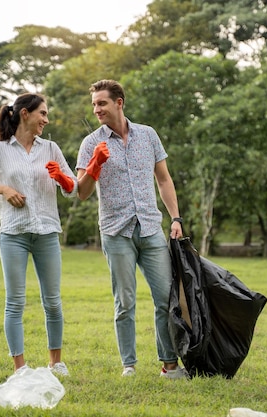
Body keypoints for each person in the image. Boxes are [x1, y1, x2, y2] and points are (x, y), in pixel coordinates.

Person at [76, 79, 187, 379]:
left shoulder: (148, 135)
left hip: (150, 227)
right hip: (115, 232)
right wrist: (95, 164)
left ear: (119, 103)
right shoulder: (90, 143)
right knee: (124, 301)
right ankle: (129, 366)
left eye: (102, 103)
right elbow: (81, 192)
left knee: (166, 298)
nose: (97, 109)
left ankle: (170, 365)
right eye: (94, 105)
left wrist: (175, 218)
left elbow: (163, 179)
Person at [0, 93, 76, 377]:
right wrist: (2, 189)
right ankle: (20, 367)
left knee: (52, 300)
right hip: (13, 233)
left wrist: (62, 178)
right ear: (25, 114)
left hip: (47, 232)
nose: (46, 120)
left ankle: (56, 363)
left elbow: (72, 187)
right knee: (15, 301)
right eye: (42, 113)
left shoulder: (50, 148)